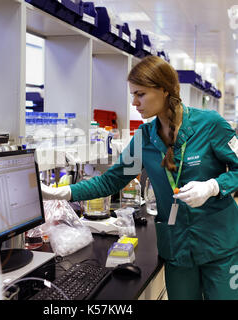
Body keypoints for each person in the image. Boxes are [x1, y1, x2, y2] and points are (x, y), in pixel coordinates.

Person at [41, 55, 238, 300]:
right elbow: (111, 181)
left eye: (140, 94)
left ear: (164, 90)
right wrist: (60, 193)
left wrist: (213, 186)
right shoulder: (144, 137)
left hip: (219, 244)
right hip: (177, 247)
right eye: (132, 94)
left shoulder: (210, 125)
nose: (134, 102)